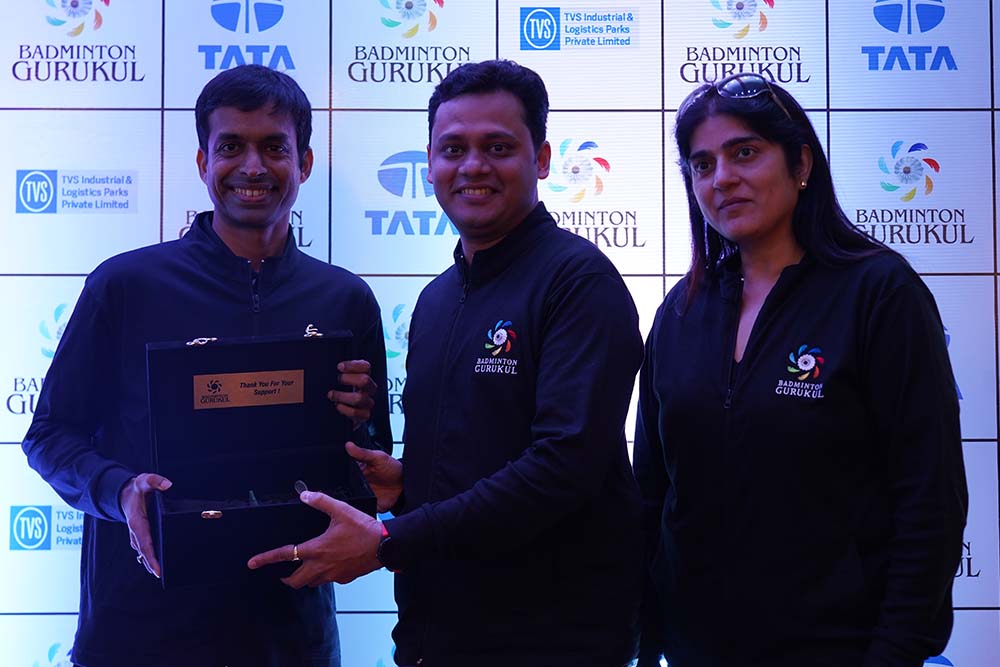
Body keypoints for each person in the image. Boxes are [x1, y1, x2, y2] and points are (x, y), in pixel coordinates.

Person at [249, 59, 644, 667]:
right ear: (429, 164)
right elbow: (480, 453)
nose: (473, 166)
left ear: (541, 159)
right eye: (453, 149)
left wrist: (389, 540)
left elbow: (564, 466)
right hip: (435, 637)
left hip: (553, 641)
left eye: (498, 147)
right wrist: (406, 485)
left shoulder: (578, 282)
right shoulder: (436, 300)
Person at [22, 64, 392, 667]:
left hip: (289, 638)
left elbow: (368, 469)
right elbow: (48, 436)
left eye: (274, 147)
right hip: (138, 633)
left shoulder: (345, 299)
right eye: (231, 147)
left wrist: (360, 426)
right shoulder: (126, 285)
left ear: (304, 163)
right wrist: (120, 491)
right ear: (202, 162)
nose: (253, 167)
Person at [632, 73, 968, 666]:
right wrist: (648, 632)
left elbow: (929, 498)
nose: (722, 178)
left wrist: (895, 650)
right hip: (696, 652)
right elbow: (651, 493)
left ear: (801, 163)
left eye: (745, 153)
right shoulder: (679, 313)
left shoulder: (879, 292)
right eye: (702, 165)